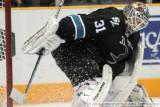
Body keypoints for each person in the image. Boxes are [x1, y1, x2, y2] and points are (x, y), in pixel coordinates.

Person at [22, 2, 152, 107]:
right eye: (135, 19)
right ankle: (83, 95)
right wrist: (58, 32)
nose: (136, 24)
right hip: (72, 48)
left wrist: (116, 76)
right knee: (89, 91)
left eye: (140, 22)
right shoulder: (114, 19)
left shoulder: (134, 37)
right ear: (128, 12)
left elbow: (124, 63)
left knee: (106, 91)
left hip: (95, 62)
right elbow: (85, 22)